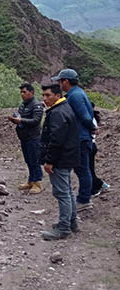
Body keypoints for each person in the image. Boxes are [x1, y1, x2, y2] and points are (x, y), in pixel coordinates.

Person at [39, 84, 80, 240]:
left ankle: (64, 229)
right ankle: (71, 222)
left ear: (57, 95)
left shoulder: (57, 112)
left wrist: (49, 161)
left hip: (60, 160)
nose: (44, 98)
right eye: (43, 95)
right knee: (68, 191)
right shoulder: (65, 108)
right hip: (67, 157)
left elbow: (56, 139)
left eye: (48, 95)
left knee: (62, 193)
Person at [52, 69, 96, 211]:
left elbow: (85, 117)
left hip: (81, 139)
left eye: (60, 81)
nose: (59, 84)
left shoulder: (75, 96)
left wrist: (92, 128)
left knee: (83, 169)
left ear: (66, 81)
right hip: (81, 137)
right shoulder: (76, 93)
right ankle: (84, 197)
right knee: (82, 169)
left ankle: (84, 200)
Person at [8, 82, 44, 194]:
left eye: (24, 92)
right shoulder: (23, 104)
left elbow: (36, 121)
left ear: (31, 92)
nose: (22, 94)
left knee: (35, 160)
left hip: (33, 137)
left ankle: (37, 183)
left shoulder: (36, 105)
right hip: (24, 137)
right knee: (28, 160)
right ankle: (31, 181)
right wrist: (15, 118)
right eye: (21, 92)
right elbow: (20, 116)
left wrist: (21, 120)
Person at [90, 103, 111, 196]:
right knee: (89, 169)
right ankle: (97, 186)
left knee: (88, 170)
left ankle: (97, 186)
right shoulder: (92, 118)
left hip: (90, 145)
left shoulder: (89, 119)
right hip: (91, 145)